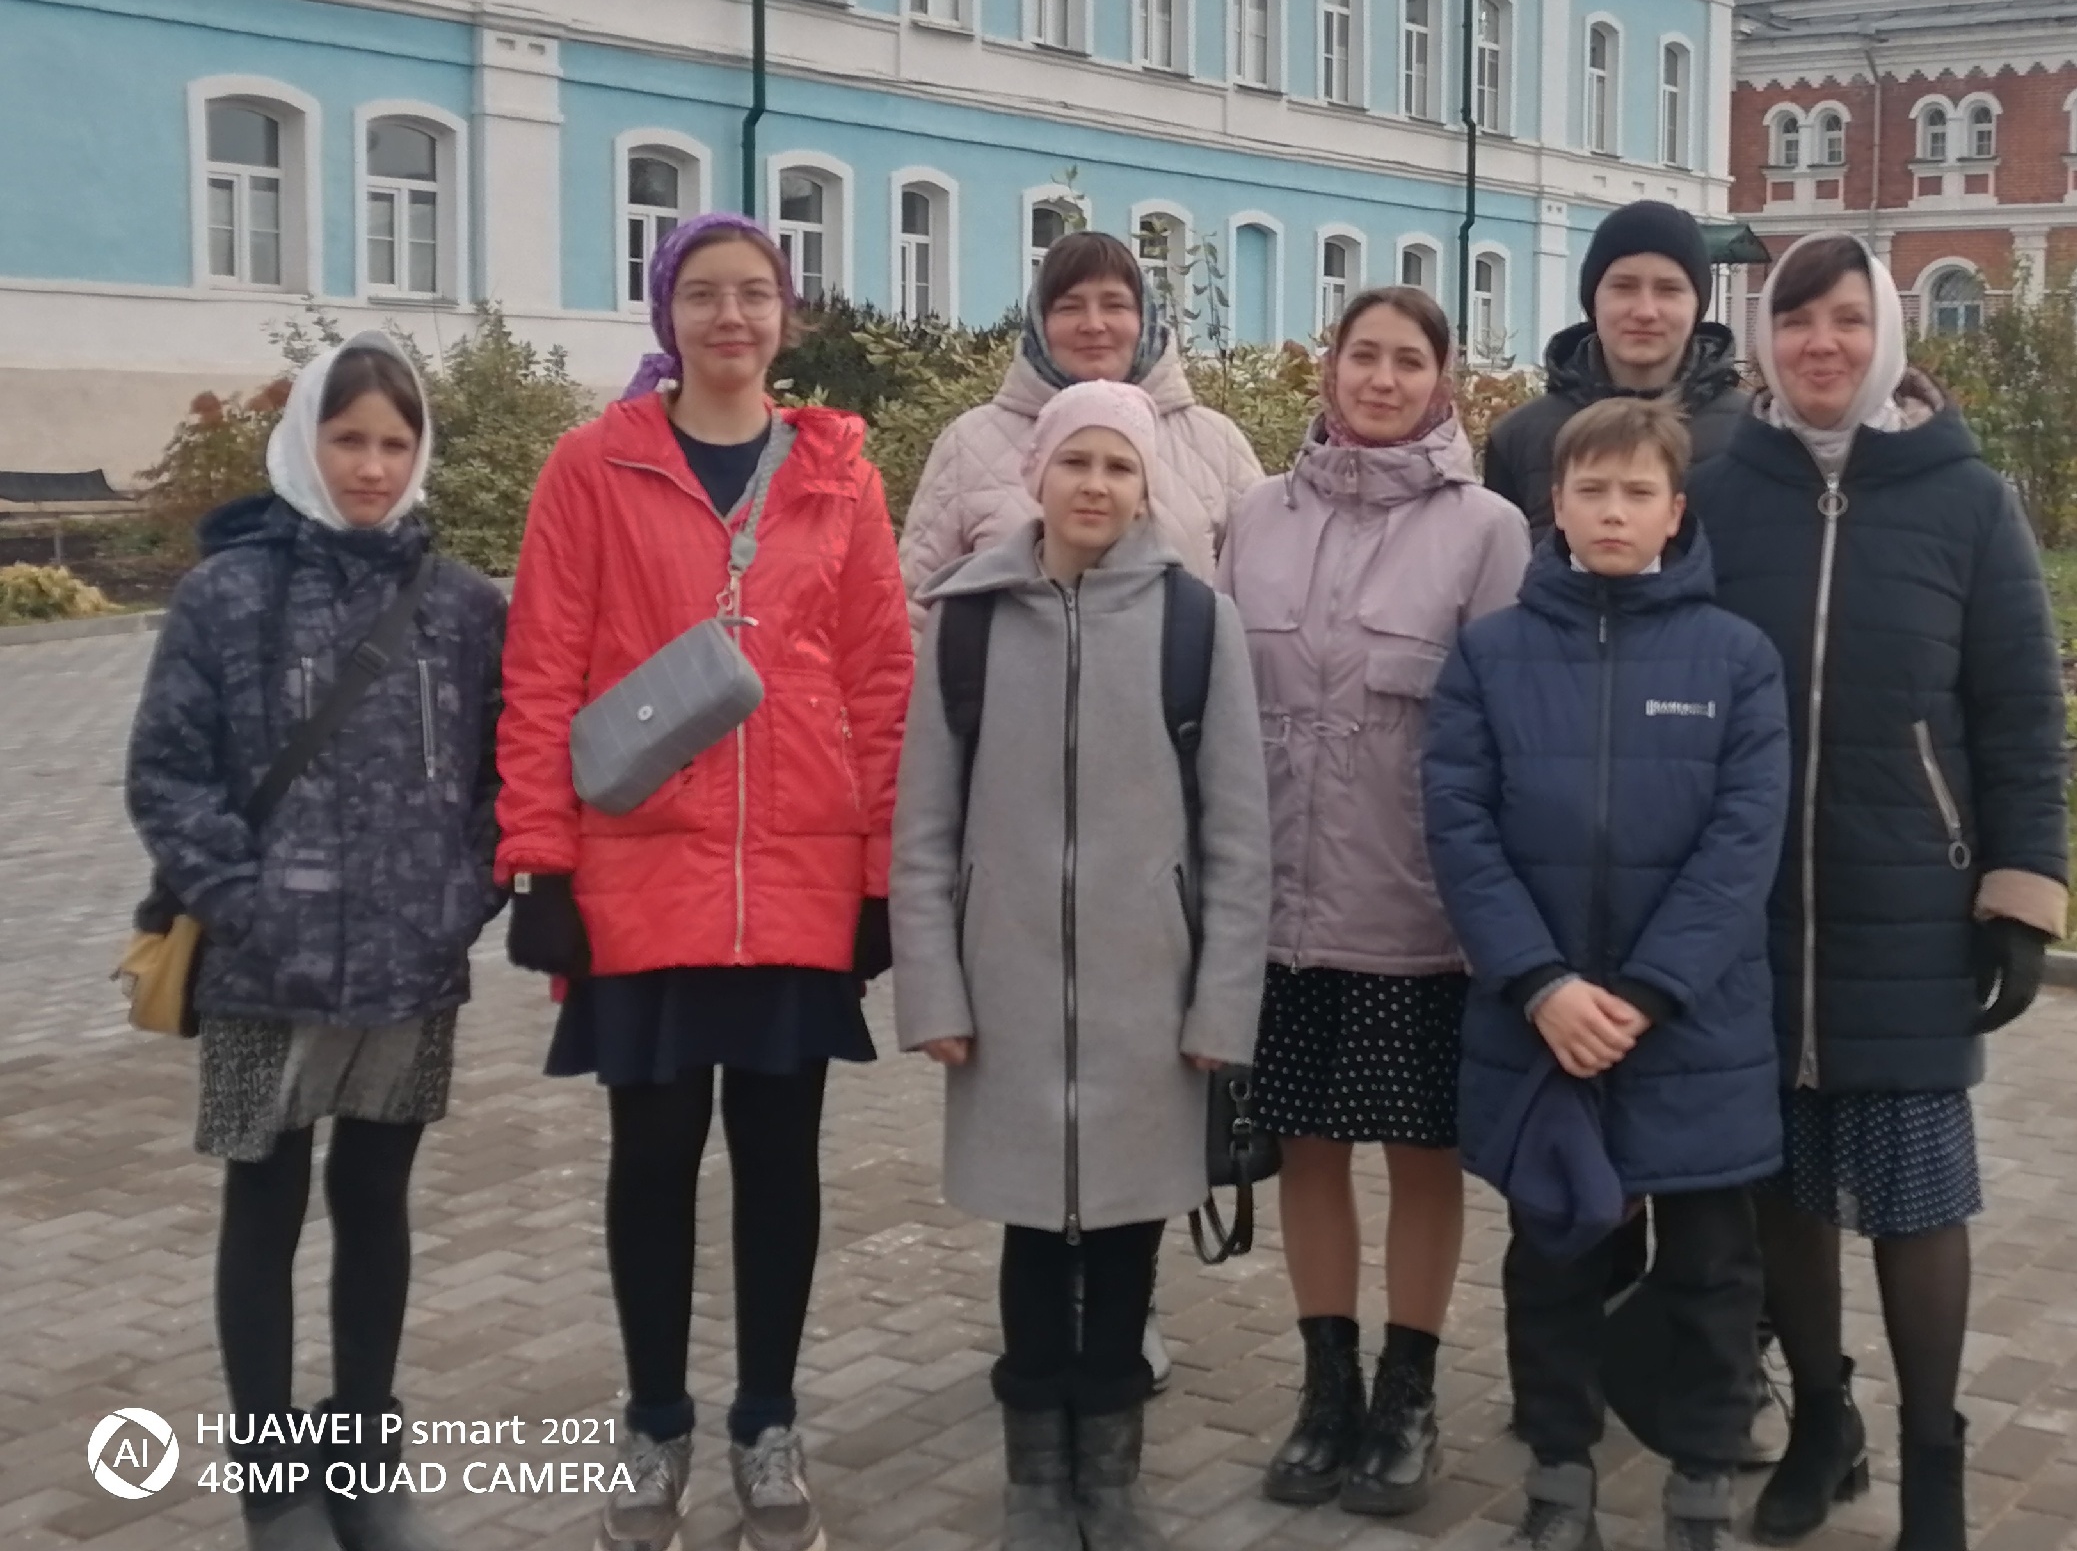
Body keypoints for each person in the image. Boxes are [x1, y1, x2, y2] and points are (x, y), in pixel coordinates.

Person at [497, 214, 912, 1551]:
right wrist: (538, 861)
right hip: (642, 876)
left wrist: (878, 871)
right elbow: (545, 666)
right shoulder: (591, 465)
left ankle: (769, 1420)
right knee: (655, 1157)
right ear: (664, 313)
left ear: (788, 318)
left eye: (756, 296)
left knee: (782, 1162)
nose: (731, 317)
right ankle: (658, 1418)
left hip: (797, 873)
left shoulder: (839, 478)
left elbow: (879, 676)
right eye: (703, 295)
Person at [1686, 232, 2069, 1551]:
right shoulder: (1725, 489)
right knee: (1784, 1190)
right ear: (1765, 339)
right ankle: (1819, 1423)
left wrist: (2021, 893)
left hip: (1910, 894)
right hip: (1755, 909)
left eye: (1846, 319)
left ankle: (1936, 1462)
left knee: (1915, 1198)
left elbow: (2018, 709)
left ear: (1884, 331)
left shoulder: (1968, 500)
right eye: (1795, 322)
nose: (1821, 345)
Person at [127, 333, 507, 1551]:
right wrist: (247, 898)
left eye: (395, 442)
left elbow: (509, 773)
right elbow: (167, 772)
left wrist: (460, 897)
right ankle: (273, 1478)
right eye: (350, 438)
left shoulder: (459, 607)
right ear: (305, 439)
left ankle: (361, 1455)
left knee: (378, 1202)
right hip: (256, 974)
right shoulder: (226, 595)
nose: (373, 466)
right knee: (264, 1205)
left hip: (411, 965)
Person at [891, 381, 1271, 1551]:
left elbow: (1237, 837)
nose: (1096, 486)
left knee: (1121, 1240)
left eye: (1119, 467)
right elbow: (923, 831)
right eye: (1076, 464)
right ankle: (1033, 1476)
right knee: (1024, 1232)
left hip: (1146, 999)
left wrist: (1221, 1005)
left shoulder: (1195, 624)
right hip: (1003, 996)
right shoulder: (967, 619)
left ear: (1147, 483)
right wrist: (933, 992)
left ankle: (1108, 1470)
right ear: (1037, 477)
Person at [1424, 396, 1792, 1551]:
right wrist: (1537, 983)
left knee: (1711, 1273)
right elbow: (1458, 827)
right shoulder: (1489, 655)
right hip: (1542, 1024)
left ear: (1676, 512)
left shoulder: (1736, 659)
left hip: (1691, 1030)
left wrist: (1644, 994)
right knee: (1553, 1260)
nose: (1615, 511)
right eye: (1594, 490)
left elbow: (1743, 846)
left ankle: (1698, 1489)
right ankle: (1559, 1482)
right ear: (1558, 506)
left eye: (1638, 492)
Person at [1216, 287, 1530, 1516]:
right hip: (1283, 908)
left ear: (1443, 382)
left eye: (1408, 361)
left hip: (1420, 914)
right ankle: (1325, 1386)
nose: (1383, 379)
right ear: (1328, 368)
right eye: (1364, 356)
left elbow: (1512, 731)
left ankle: (1408, 1390)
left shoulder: (1487, 530)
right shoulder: (1255, 518)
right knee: (1306, 1148)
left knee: (1420, 1152)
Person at [899, 229, 1264, 631]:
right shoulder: (969, 444)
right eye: (1070, 307)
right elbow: (913, 609)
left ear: (1144, 319)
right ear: (1040, 322)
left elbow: (1260, 605)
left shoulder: (1216, 444)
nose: (1094, 325)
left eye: (1114, 305)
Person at [1482, 200, 1746, 544]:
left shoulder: (1750, 435)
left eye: (1669, 290)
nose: (1645, 311)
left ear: (1697, 305)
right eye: (1623, 286)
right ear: (1593, 299)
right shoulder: (1518, 439)